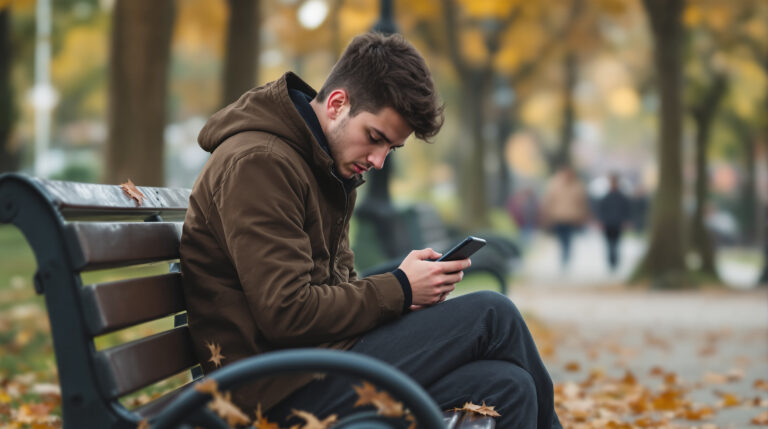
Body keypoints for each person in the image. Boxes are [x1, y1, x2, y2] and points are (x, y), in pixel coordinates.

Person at [180, 33, 561, 428]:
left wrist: (404, 296)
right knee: (493, 314)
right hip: (272, 392)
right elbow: (287, 313)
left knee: (509, 385)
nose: (378, 161)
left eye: (390, 149)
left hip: (316, 366)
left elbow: (329, 290)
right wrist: (399, 288)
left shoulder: (318, 163)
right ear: (337, 104)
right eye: (375, 138)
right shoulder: (261, 164)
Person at [540, 165, 590, 269]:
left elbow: (582, 202)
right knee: (561, 239)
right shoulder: (554, 184)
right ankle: (564, 255)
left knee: (568, 238)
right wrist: (547, 215)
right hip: (557, 217)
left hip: (572, 218)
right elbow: (548, 201)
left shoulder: (578, 185)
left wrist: (583, 215)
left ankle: (566, 256)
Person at [597, 173, 632, 272]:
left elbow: (626, 210)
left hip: (618, 223)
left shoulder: (622, 198)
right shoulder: (606, 197)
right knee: (609, 244)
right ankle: (611, 261)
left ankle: (615, 260)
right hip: (608, 223)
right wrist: (601, 221)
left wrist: (626, 220)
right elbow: (601, 210)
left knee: (616, 243)